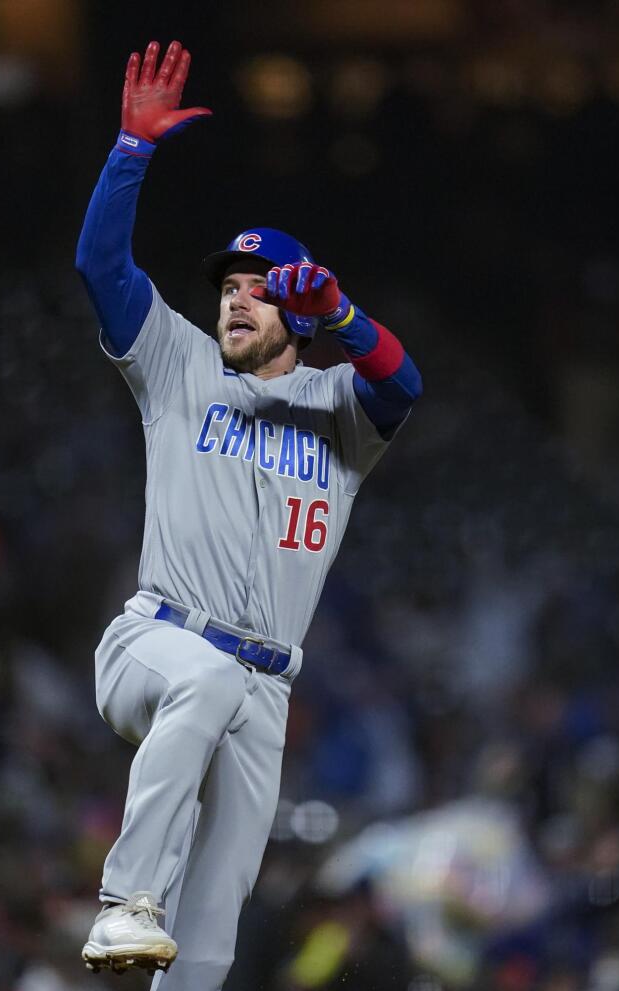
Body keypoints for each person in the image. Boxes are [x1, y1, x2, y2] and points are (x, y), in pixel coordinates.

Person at [73, 40, 423, 988]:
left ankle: (149, 937)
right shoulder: (178, 367)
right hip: (159, 643)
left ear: (296, 314)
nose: (235, 298)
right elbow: (101, 265)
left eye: (257, 289)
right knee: (208, 683)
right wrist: (130, 154)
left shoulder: (341, 407)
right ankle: (124, 898)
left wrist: (346, 317)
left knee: (215, 932)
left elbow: (404, 381)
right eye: (228, 286)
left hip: (267, 688)